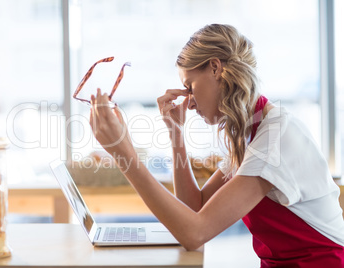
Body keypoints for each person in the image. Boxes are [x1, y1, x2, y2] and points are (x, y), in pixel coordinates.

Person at [88, 24, 344, 267]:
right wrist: (176, 136)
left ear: (214, 68)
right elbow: (194, 208)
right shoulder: (250, 130)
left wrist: (126, 157)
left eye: (190, 87)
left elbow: (195, 233)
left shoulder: (273, 137)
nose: (188, 102)